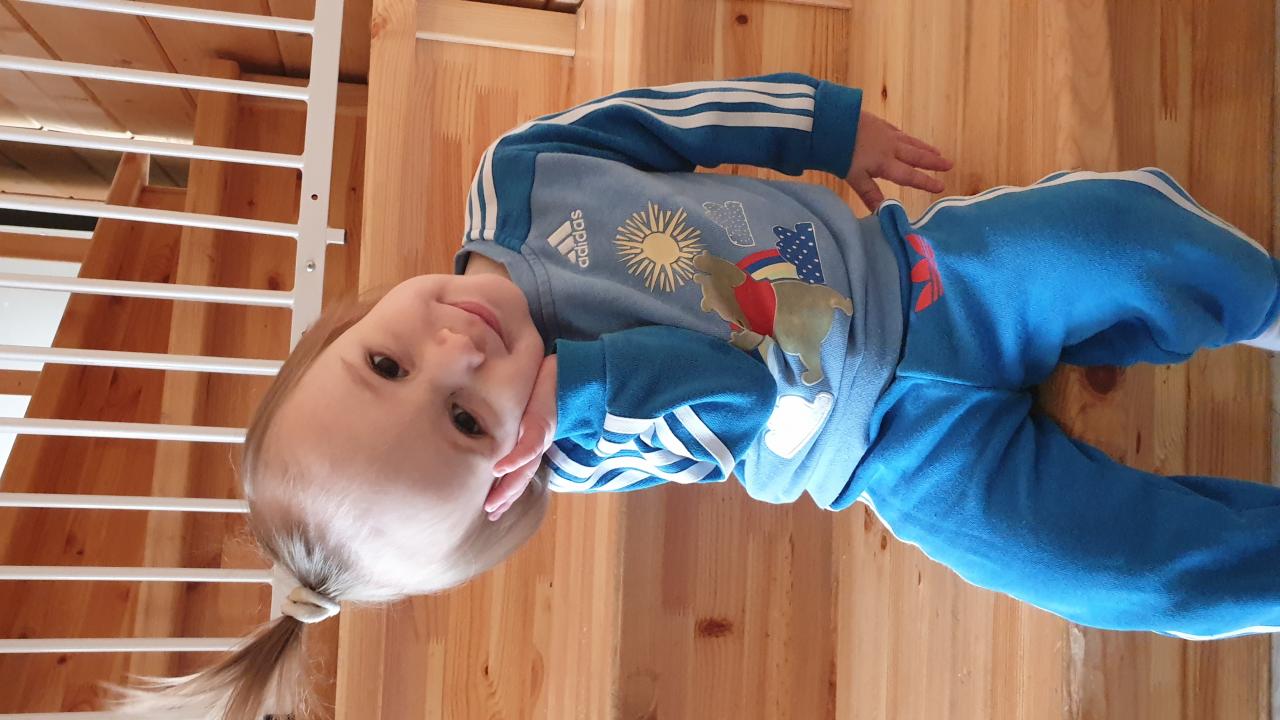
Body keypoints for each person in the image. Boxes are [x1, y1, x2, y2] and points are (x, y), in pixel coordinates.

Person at [114, 74, 1280, 719]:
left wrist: (827, 126)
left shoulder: (520, 178)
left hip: (919, 277)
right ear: (505, 480)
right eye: (464, 422)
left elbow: (675, 120)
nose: (454, 353)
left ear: (338, 331)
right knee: (1114, 578)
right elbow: (761, 389)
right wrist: (584, 394)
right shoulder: (584, 445)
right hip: (896, 457)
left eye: (383, 364)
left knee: (1114, 240)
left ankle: (1250, 298)